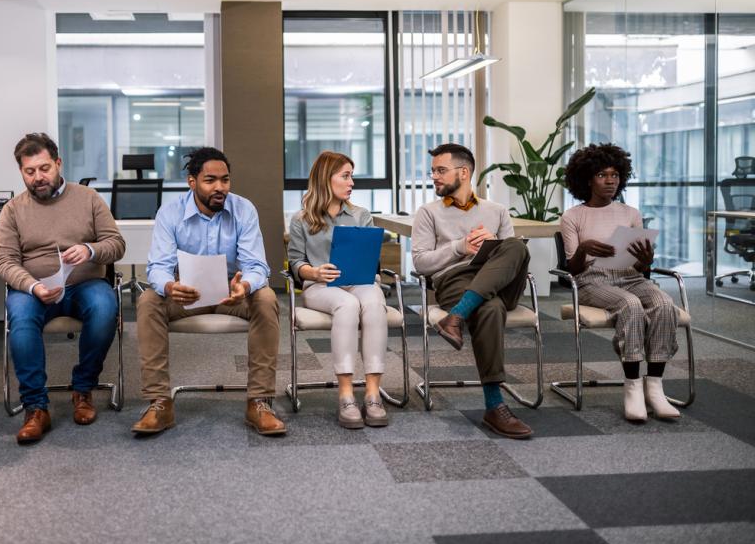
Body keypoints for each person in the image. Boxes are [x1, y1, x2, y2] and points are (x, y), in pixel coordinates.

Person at [133, 147, 285, 437]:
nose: (220, 187)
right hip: (187, 292)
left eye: (225, 180)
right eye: (210, 180)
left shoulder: (243, 209)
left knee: (266, 297)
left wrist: (246, 286)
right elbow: (157, 267)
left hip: (232, 292)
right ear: (192, 181)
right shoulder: (170, 212)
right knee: (148, 300)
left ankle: (259, 401)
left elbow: (257, 266)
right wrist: (169, 286)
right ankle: (160, 403)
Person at [0, 133, 125, 445]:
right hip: (35, 289)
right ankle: (36, 407)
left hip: (84, 283)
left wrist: (91, 250)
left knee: (106, 307)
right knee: (22, 320)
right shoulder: (13, 210)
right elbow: (4, 261)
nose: (38, 177)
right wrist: (32, 285)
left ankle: (83, 388)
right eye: (30, 172)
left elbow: (117, 244)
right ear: (21, 172)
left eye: (44, 169)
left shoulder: (89, 198)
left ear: (58, 163)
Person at [411, 143, 533, 439]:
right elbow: (421, 263)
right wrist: (460, 247)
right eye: (433, 172)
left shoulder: (497, 210)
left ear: (463, 173)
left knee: (515, 245)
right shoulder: (428, 213)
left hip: (499, 280)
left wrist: (495, 246)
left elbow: (513, 259)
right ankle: (495, 405)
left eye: (441, 170)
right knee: (489, 308)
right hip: (456, 280)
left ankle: (456, 317)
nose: (434, 177)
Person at [562, 143, 680, 422]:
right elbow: (573, 270)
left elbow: (641, 266)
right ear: (588, 179)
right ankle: (632, 387)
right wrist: (584, 248)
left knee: (664, 303)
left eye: (615, 175)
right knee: (630, 305)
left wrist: (646, 260)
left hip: (630, 275)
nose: (610, 180)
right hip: (593, 280)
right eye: (602, 175)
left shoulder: (630, 213)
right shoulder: (573, 217)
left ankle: (655, 386)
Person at [287, 151, 389, 429]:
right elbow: (295, 261)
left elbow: (371, 257)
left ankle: (372, 393)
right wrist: (313, 271)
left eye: (351, 175)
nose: (351, 181)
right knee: (347, 305)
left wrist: (370, 273)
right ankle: (345, 394)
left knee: (374, 302)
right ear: (325, 178)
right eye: (345, 175)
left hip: (359, 281)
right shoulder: (301, 219)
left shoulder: (361, 215)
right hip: (320, 286)